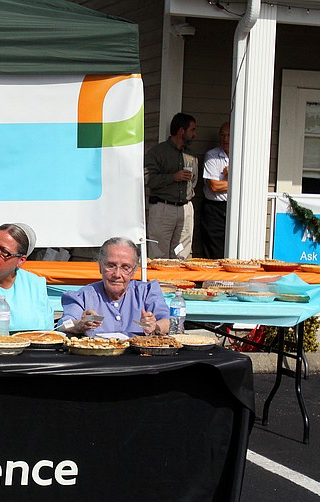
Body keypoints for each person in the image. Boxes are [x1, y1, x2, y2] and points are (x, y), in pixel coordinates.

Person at [58, 237, 169, 336]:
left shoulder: (146, 292)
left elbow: (169, 322)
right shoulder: (84, 296)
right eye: (111, 266)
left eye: (125, 267)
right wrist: (80, 325)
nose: (117, 274)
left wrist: (155, 327)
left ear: (134, 271)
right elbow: (63, 324)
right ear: (100, 267)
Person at [144, 112, 198, 259]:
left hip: (186, 208)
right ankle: (158, 283)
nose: (194, 134)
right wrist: (173, 177)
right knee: (159, 253)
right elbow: (148, 179)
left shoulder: (191, 155)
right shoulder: (157, 152)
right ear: (181, 131)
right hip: (163, 208)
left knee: (181, 253)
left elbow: (194, 182)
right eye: (192, 130)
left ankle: (179, 282)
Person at [201, 122, 230, 259]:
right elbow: (214, 186)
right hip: (214, 210)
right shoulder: (212, 156)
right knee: (214, 249)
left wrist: (231, 176)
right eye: (222, 135)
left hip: (234, 209)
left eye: (229, 135)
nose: (225, 139)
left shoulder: (244, 156)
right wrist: (235, 181)